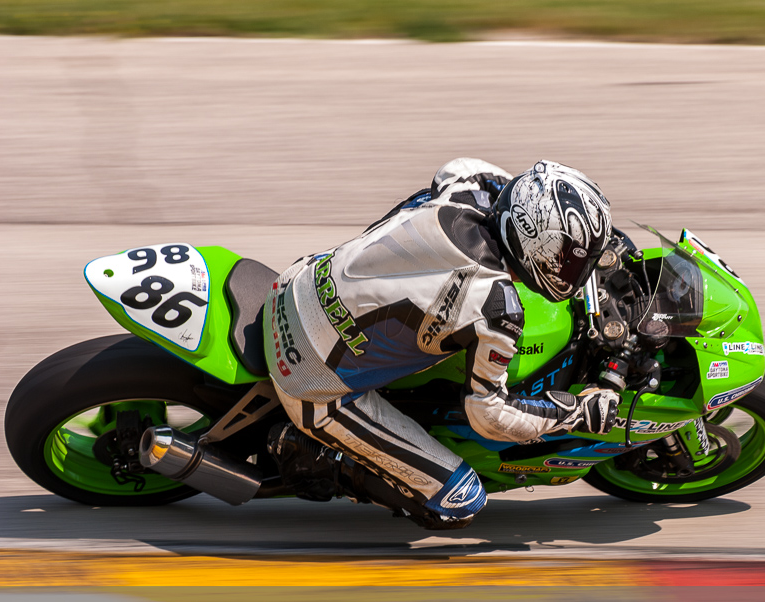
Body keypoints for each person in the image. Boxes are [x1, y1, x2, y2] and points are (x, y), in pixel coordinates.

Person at [264, 158, 620, 529]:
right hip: (310, 376)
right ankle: (318, 462)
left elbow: (472, 170)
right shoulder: (495, 309)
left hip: (296, 281)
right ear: (535, 246)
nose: (573, 271)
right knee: (459, 501)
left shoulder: (466, 184)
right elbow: (489, 416)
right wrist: (577, 413)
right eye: (566, 259)